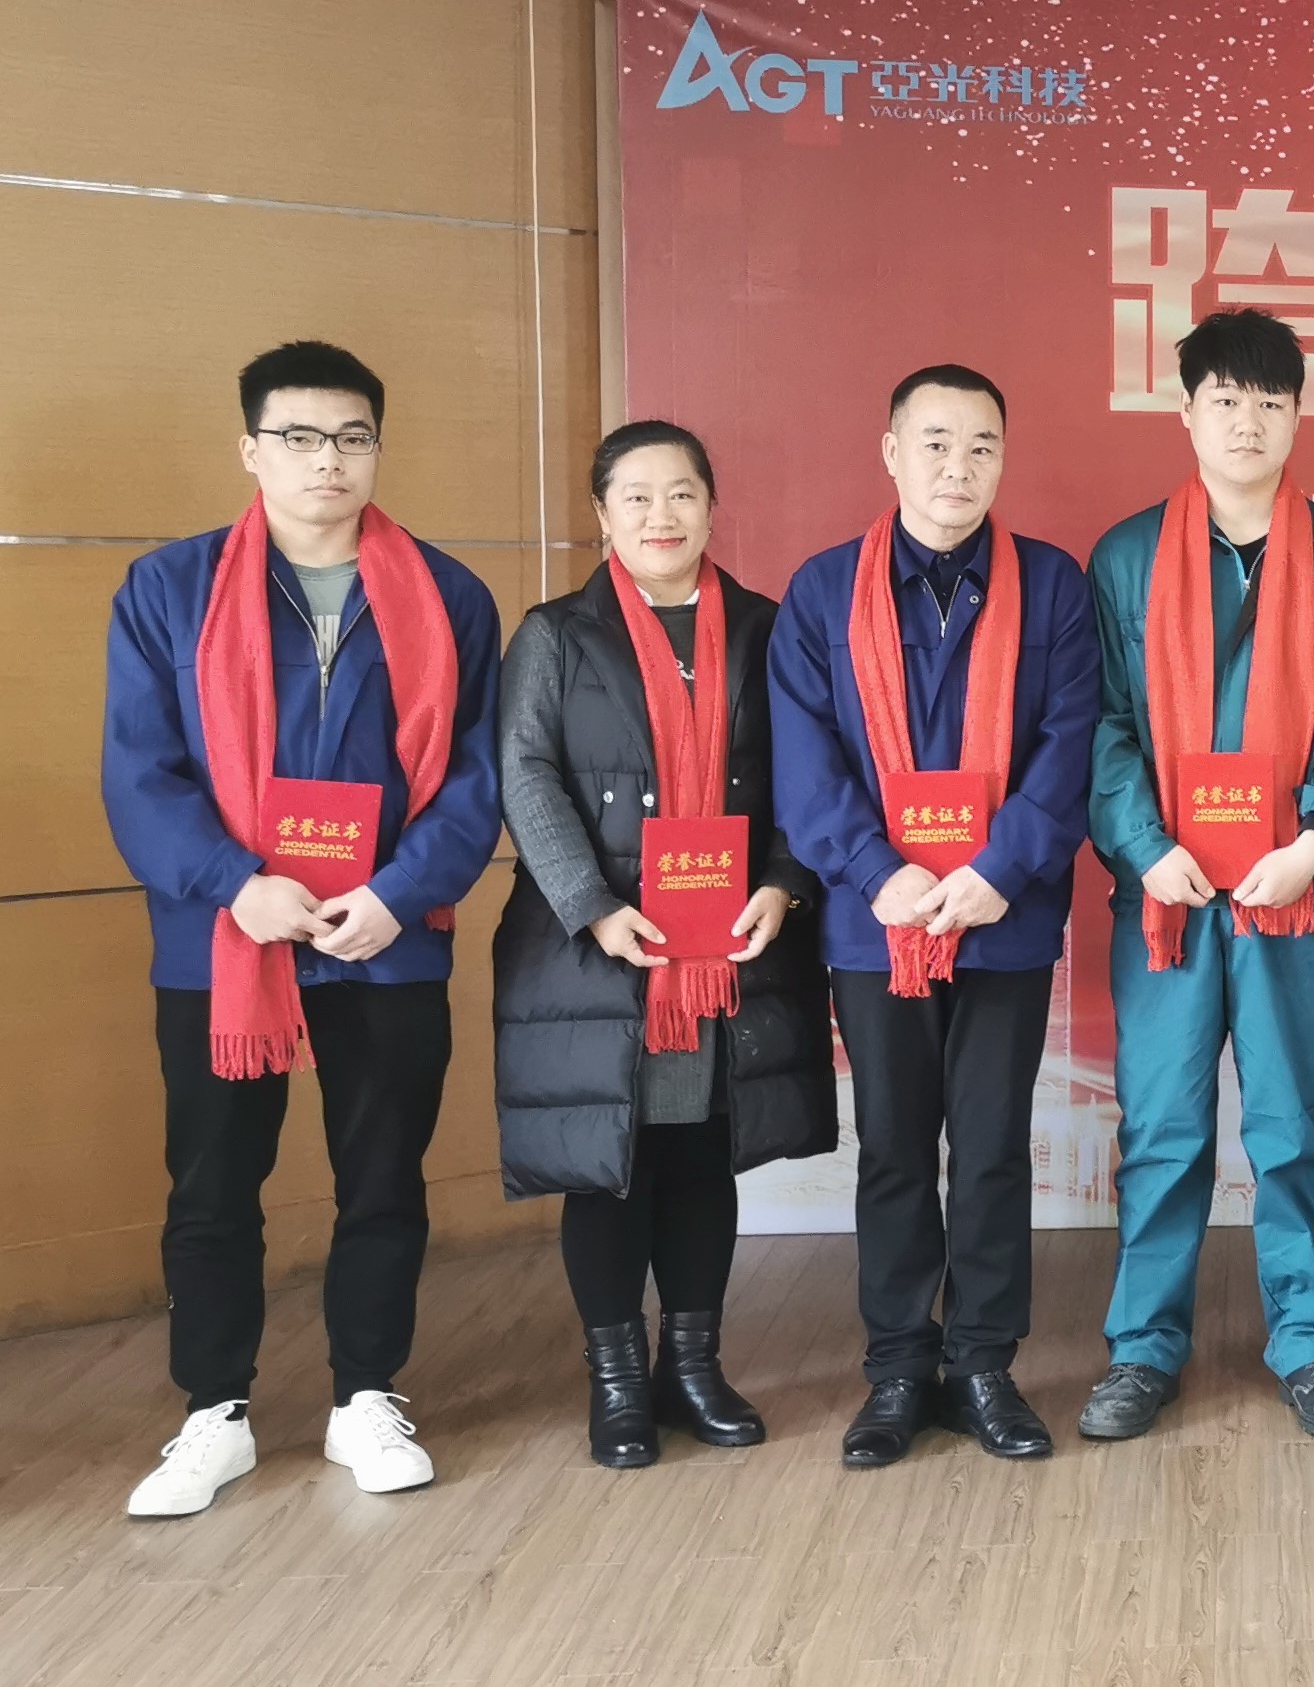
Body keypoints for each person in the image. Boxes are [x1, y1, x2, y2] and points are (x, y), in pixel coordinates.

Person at [104, 341, 502, 1515]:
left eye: (352, 437)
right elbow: (140, 770)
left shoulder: (447, 594)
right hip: (223, 939)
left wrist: (398, 892)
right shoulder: (169, 588)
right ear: (251, 448)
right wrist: (235, 883)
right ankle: (213, 1410)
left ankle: (365, 1393)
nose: (328, 459)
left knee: (381, 1176)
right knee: (212, 1183)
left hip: (384, 936)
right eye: (299, 436)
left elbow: (475, 775)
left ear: (377, 447)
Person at [769, 365, 1101, 1468]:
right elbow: (804, 757)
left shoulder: (1051, 585)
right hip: (880, 923)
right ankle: (901, 1367)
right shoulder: (823, 591)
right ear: (891, 451)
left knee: (993, 1144)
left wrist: (1002, 867)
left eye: (982, 446)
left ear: (1005, 457)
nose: (960, 467)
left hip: (1003, 916)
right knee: (896, 1147)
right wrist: (877, 871)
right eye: (937, 443)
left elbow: (1071, 739)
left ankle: (985, 1363)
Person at [492, 421, 836, 1469]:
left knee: (696, 1154)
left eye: (681, 493)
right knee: (609, 1162)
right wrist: (592, 904)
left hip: (728, 942)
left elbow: (811, 771)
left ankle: (692, 1366)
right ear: (602, 514)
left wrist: (785, 880)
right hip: (599, 950)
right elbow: (526, 774)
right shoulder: (556, 634)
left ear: (711, 506)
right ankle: (615, 1380)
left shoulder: (767, 629)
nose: (660, 515)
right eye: (635, 496)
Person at [1082, 309, 1314, 1442]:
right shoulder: (1124, 558)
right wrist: (1146, 847)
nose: (1247, 422)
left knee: (1293, 1124)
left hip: (1292, 891)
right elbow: (1105, 724)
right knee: (1163, 1126)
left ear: (1300, 415)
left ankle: (1309, 1346)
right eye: (1225, 399)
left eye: (1270, 402)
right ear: (1186, 412)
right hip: (1166, 894)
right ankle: (1142, 1348)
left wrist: (1310, 843)